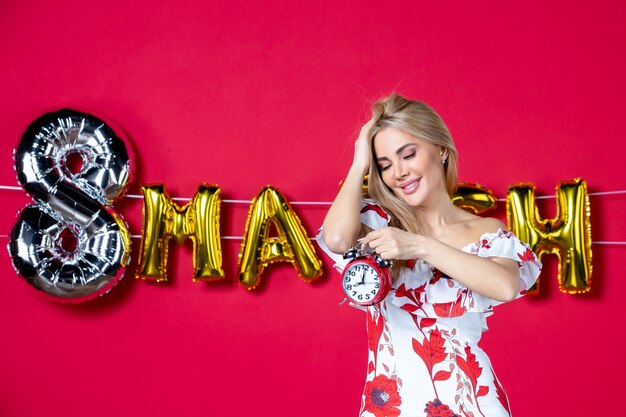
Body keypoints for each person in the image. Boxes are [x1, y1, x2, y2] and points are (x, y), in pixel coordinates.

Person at [317, 93, 541, 417]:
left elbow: (506, 286)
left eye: (408, 154)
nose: (399, 172)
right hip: (389, 406)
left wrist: (420, 246)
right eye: (385, 166)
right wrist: (358, 163)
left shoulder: (484, 231)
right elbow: (337, 239)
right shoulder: (378, 225)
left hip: (472, 405)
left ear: (442, 151)